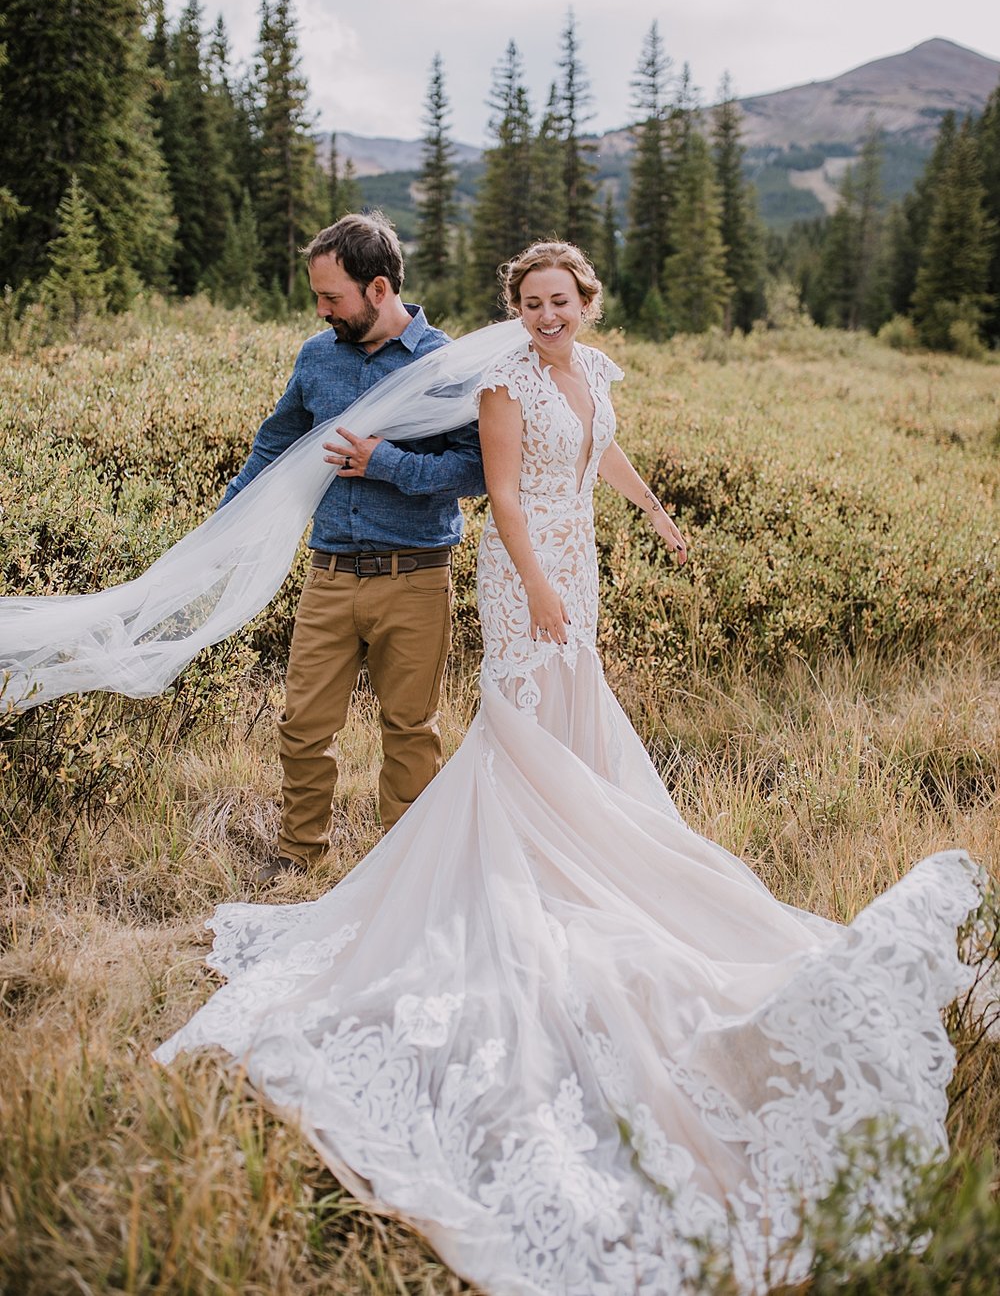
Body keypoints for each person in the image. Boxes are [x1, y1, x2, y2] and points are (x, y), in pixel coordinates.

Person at [155, 243, 990, 1295]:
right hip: (526, 571)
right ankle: (514, 858)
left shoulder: (591, 374)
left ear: (585, 305)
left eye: (562, 301)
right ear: (515, 308)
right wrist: (539, 591)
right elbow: (499, 491)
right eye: (532, 302)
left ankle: (575, 843)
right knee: (524, 713)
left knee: (573, 709)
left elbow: (597, 454)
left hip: (581, 558)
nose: (547, 315)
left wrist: (648, 509)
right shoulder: (501, 380)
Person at [220, 212, 485, 883]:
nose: (321, 310)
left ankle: (403, 872)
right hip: (330, 574)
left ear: (377, 288)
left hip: (416, 576)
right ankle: (299, 861)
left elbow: (476, 469)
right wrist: (226, 519)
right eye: (317, 297)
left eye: (331, 297)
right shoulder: (317, 357)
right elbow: (274, 444)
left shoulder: (444, 364)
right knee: (303, 727)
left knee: (410, 731)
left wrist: (385, 462)